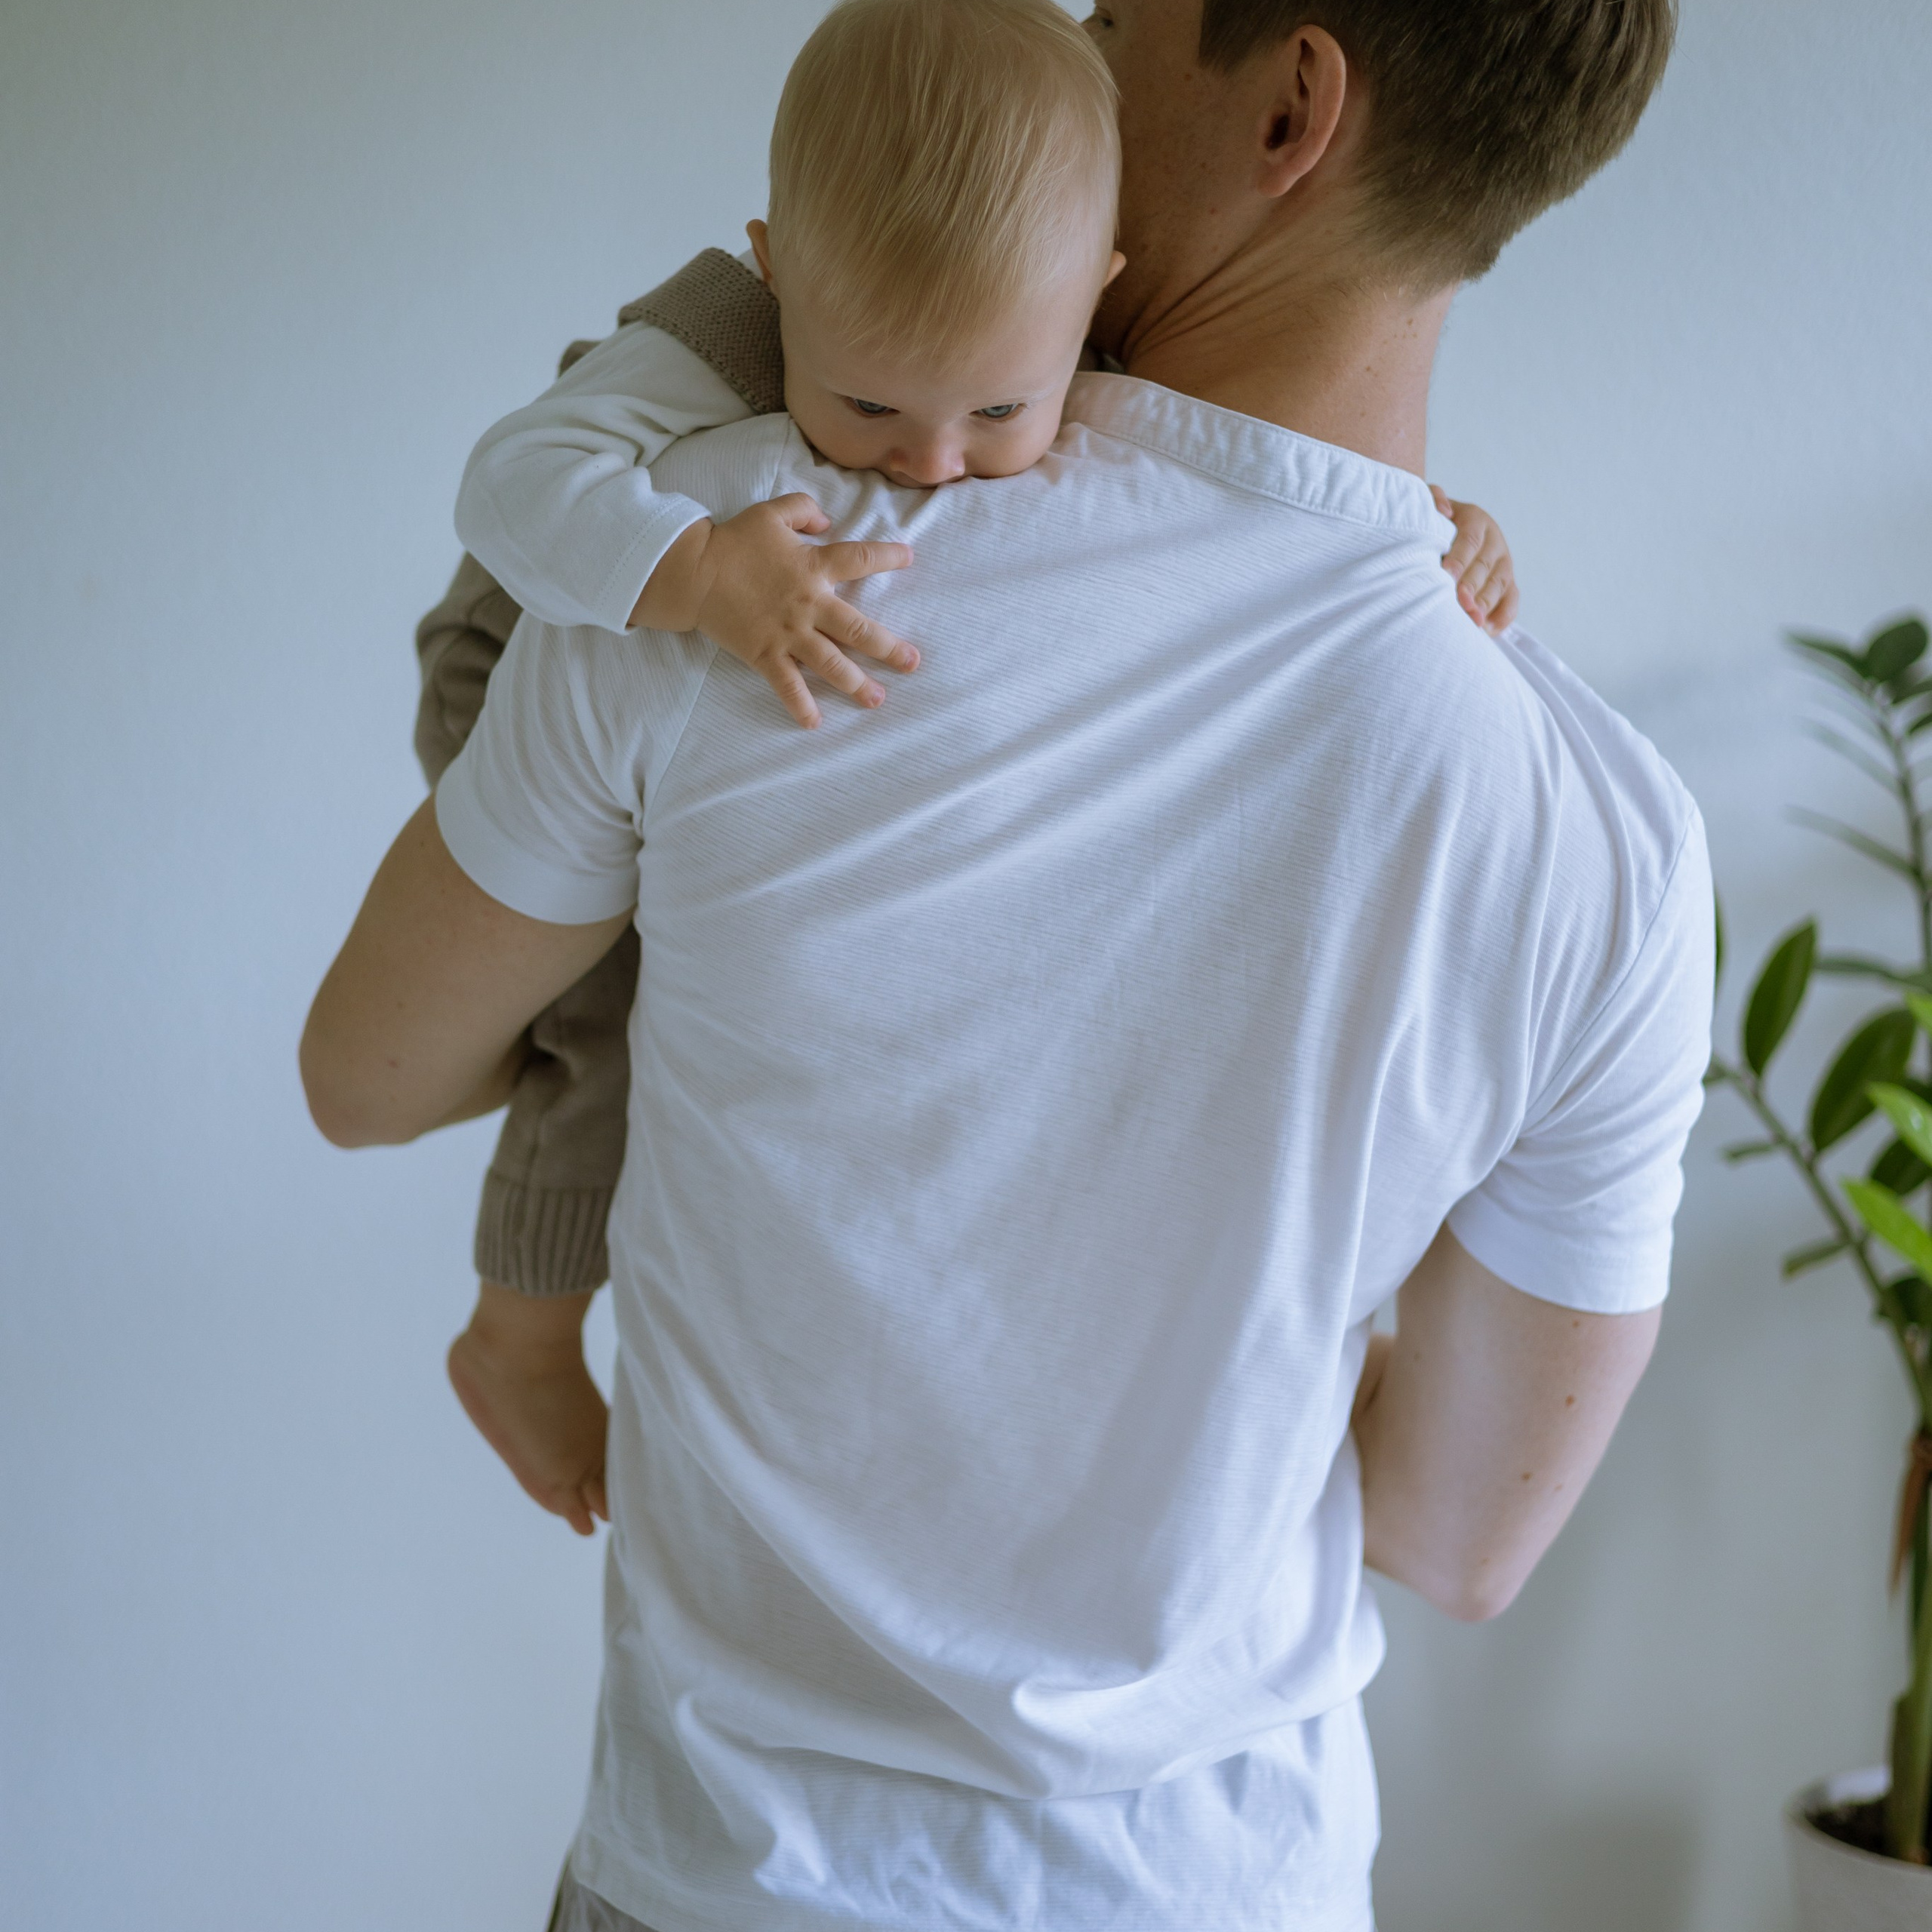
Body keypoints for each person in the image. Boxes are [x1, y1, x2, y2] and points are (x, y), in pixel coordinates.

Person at [303, 2, 1704, 1927]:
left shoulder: (750, 573)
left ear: (1290, 104)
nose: (1064, 41)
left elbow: (363, 1076)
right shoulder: (1600, 835)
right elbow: (1455, 1541)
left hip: (735, 1876)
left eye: (1117, 19)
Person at [433, 0, 1519, 1539]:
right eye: (866, 404)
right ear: (777, 268)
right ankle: (521, 1334)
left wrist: (1442, 519)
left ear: (1094, 297)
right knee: (604, 1018)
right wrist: (692, 577)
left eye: (998, 413)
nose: (928, 464)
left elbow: (1313, 484)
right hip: (539, 624)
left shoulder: (1056, 320)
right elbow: (512, 486)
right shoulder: (711, 348)